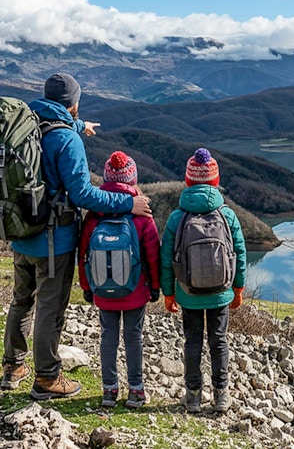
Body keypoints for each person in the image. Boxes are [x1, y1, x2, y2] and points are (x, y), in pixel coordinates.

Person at [1, 73, 152, 400]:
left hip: (20, 232)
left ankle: (12, 367)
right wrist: (129, 203)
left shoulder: (28, 124)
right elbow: (83, 195)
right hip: (54, 240)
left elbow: (54, 126)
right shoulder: (66, 141)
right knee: (50, 308)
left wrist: (80, 124)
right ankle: (47, 379)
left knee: (21, 300)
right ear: (74, 103)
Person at [160, 147, 247, 414]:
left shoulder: (178, 217)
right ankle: (221, 395)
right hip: (221, 291)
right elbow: (239, 252)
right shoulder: (226, 214)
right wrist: (238, 287)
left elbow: (166, 258)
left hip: (188, 292)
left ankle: (193, 395)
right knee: (219, 341)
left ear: (188, 181)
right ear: (215, 182)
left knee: (192, 341)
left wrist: (168, 293)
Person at [78, 150, 160, 408]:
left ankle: (109, 390)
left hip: (103, 289)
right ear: (133, 179)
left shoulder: (94, 215)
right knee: (133, 337)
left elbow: (84, 255)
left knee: (108, 337)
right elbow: (153, 255)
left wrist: (87, 287)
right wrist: (155, 287)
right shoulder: (142, 213)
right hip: (135, 290)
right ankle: (136, 391)